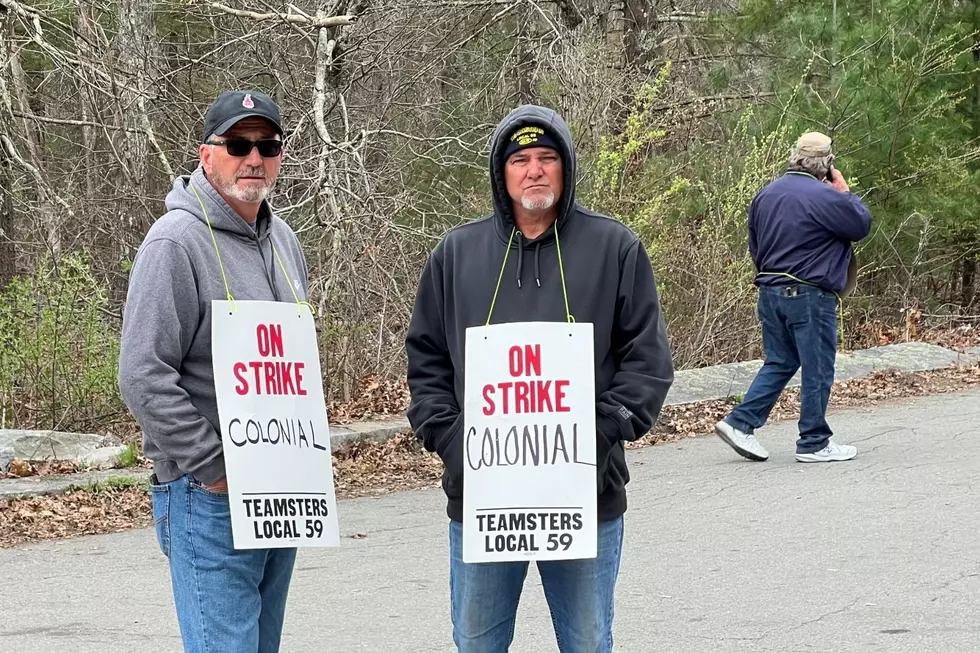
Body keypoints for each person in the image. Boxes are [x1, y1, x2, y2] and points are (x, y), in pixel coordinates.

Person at [405, 105, 674, 652]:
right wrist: (455, 443)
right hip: (482, 498)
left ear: (566, 167)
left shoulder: (615, 248)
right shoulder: (456, 254)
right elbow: (426, 362)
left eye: (547, 158)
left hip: (586, 499)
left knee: (587, 642)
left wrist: (598, 434)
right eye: (520, 159)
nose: (534, 170)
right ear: (501, 173)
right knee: (477, 644)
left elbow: (648, 362)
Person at [118, 90, 309, 652]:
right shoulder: (174, 243)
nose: (254, 157)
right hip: (211, 498)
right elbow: (142, 373)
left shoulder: (285, 242)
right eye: (238, 144)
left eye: (267, 145)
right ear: (207, 155)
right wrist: (215, 466)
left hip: (281, 497)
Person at [714, 131, 872, 464]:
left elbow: (755, 245)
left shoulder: (766, 194)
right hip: (809, 294)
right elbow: (860, 225)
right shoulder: (825, 196)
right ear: (827, 163)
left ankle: (740, 423)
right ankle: (814, 441)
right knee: (817, 367)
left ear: (794, 157)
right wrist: (844, 191)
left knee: (781, 360)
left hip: (770, 290)